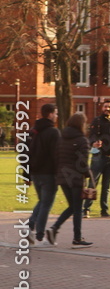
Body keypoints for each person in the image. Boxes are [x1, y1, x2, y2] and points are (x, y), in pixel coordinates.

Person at [46, 112, 95, 248]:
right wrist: (90, 178)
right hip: (75, 178)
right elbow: (83, 162)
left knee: (73, 206)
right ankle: (76, 238)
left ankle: (55, 228)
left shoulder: (61, 139)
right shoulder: (82, 140)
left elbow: (56, 158)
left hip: (63, 177)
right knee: (77, 208)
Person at [27, 104, 60, 245]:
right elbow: (56, 155)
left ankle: (30, 228)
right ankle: (39, 234)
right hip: (48, 173)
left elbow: (26, 153)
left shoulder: (33, 131)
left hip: (35, 171)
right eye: (56, 113)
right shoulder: (53, 132)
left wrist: (26, 173)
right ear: (50, 114)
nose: (57, 116)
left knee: (42, 202)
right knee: (46, 203)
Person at [84, 101, 110, 218]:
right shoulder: (97, 121)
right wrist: (93, 143)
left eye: (109, 107)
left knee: (107, 186)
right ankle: (86, 209)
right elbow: (91, 135)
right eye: (105, 106)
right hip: (98, 156)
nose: (107, 109)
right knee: (92, 184)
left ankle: (104, 210)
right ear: (102, 108)